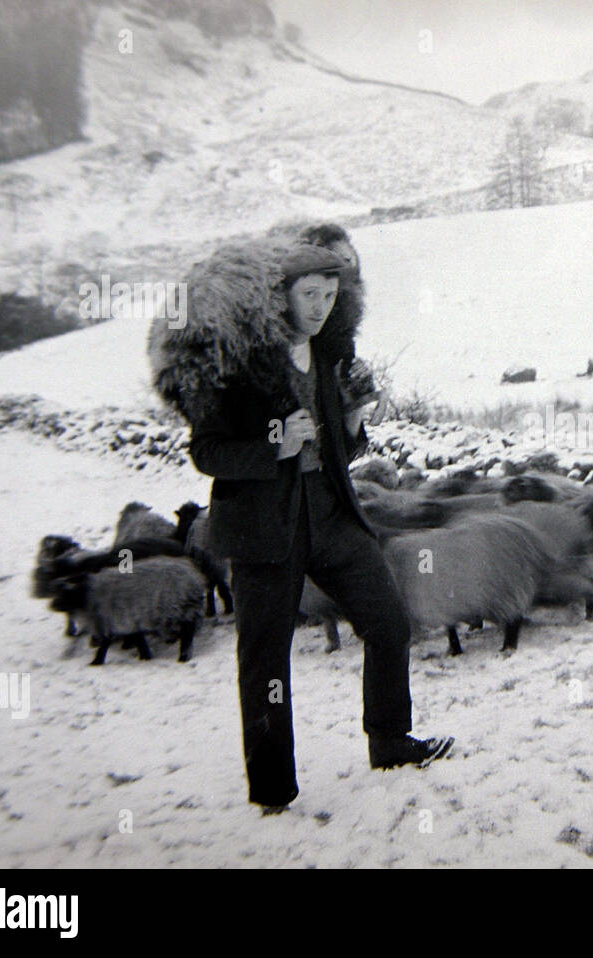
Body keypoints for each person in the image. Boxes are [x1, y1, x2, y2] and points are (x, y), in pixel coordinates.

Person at [155, 241, 452, 813]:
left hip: (334, 515)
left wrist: (353, 425)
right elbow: (207, 451)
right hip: (265, 529)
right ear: (281, 295)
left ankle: (389, 740)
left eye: (330, 295)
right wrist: (274, 443)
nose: (319, 306)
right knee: (265, 661)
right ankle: (271, 789)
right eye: (308, 293)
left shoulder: (330, 356)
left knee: (389, 624)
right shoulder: (240, 364)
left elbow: (338, 448)